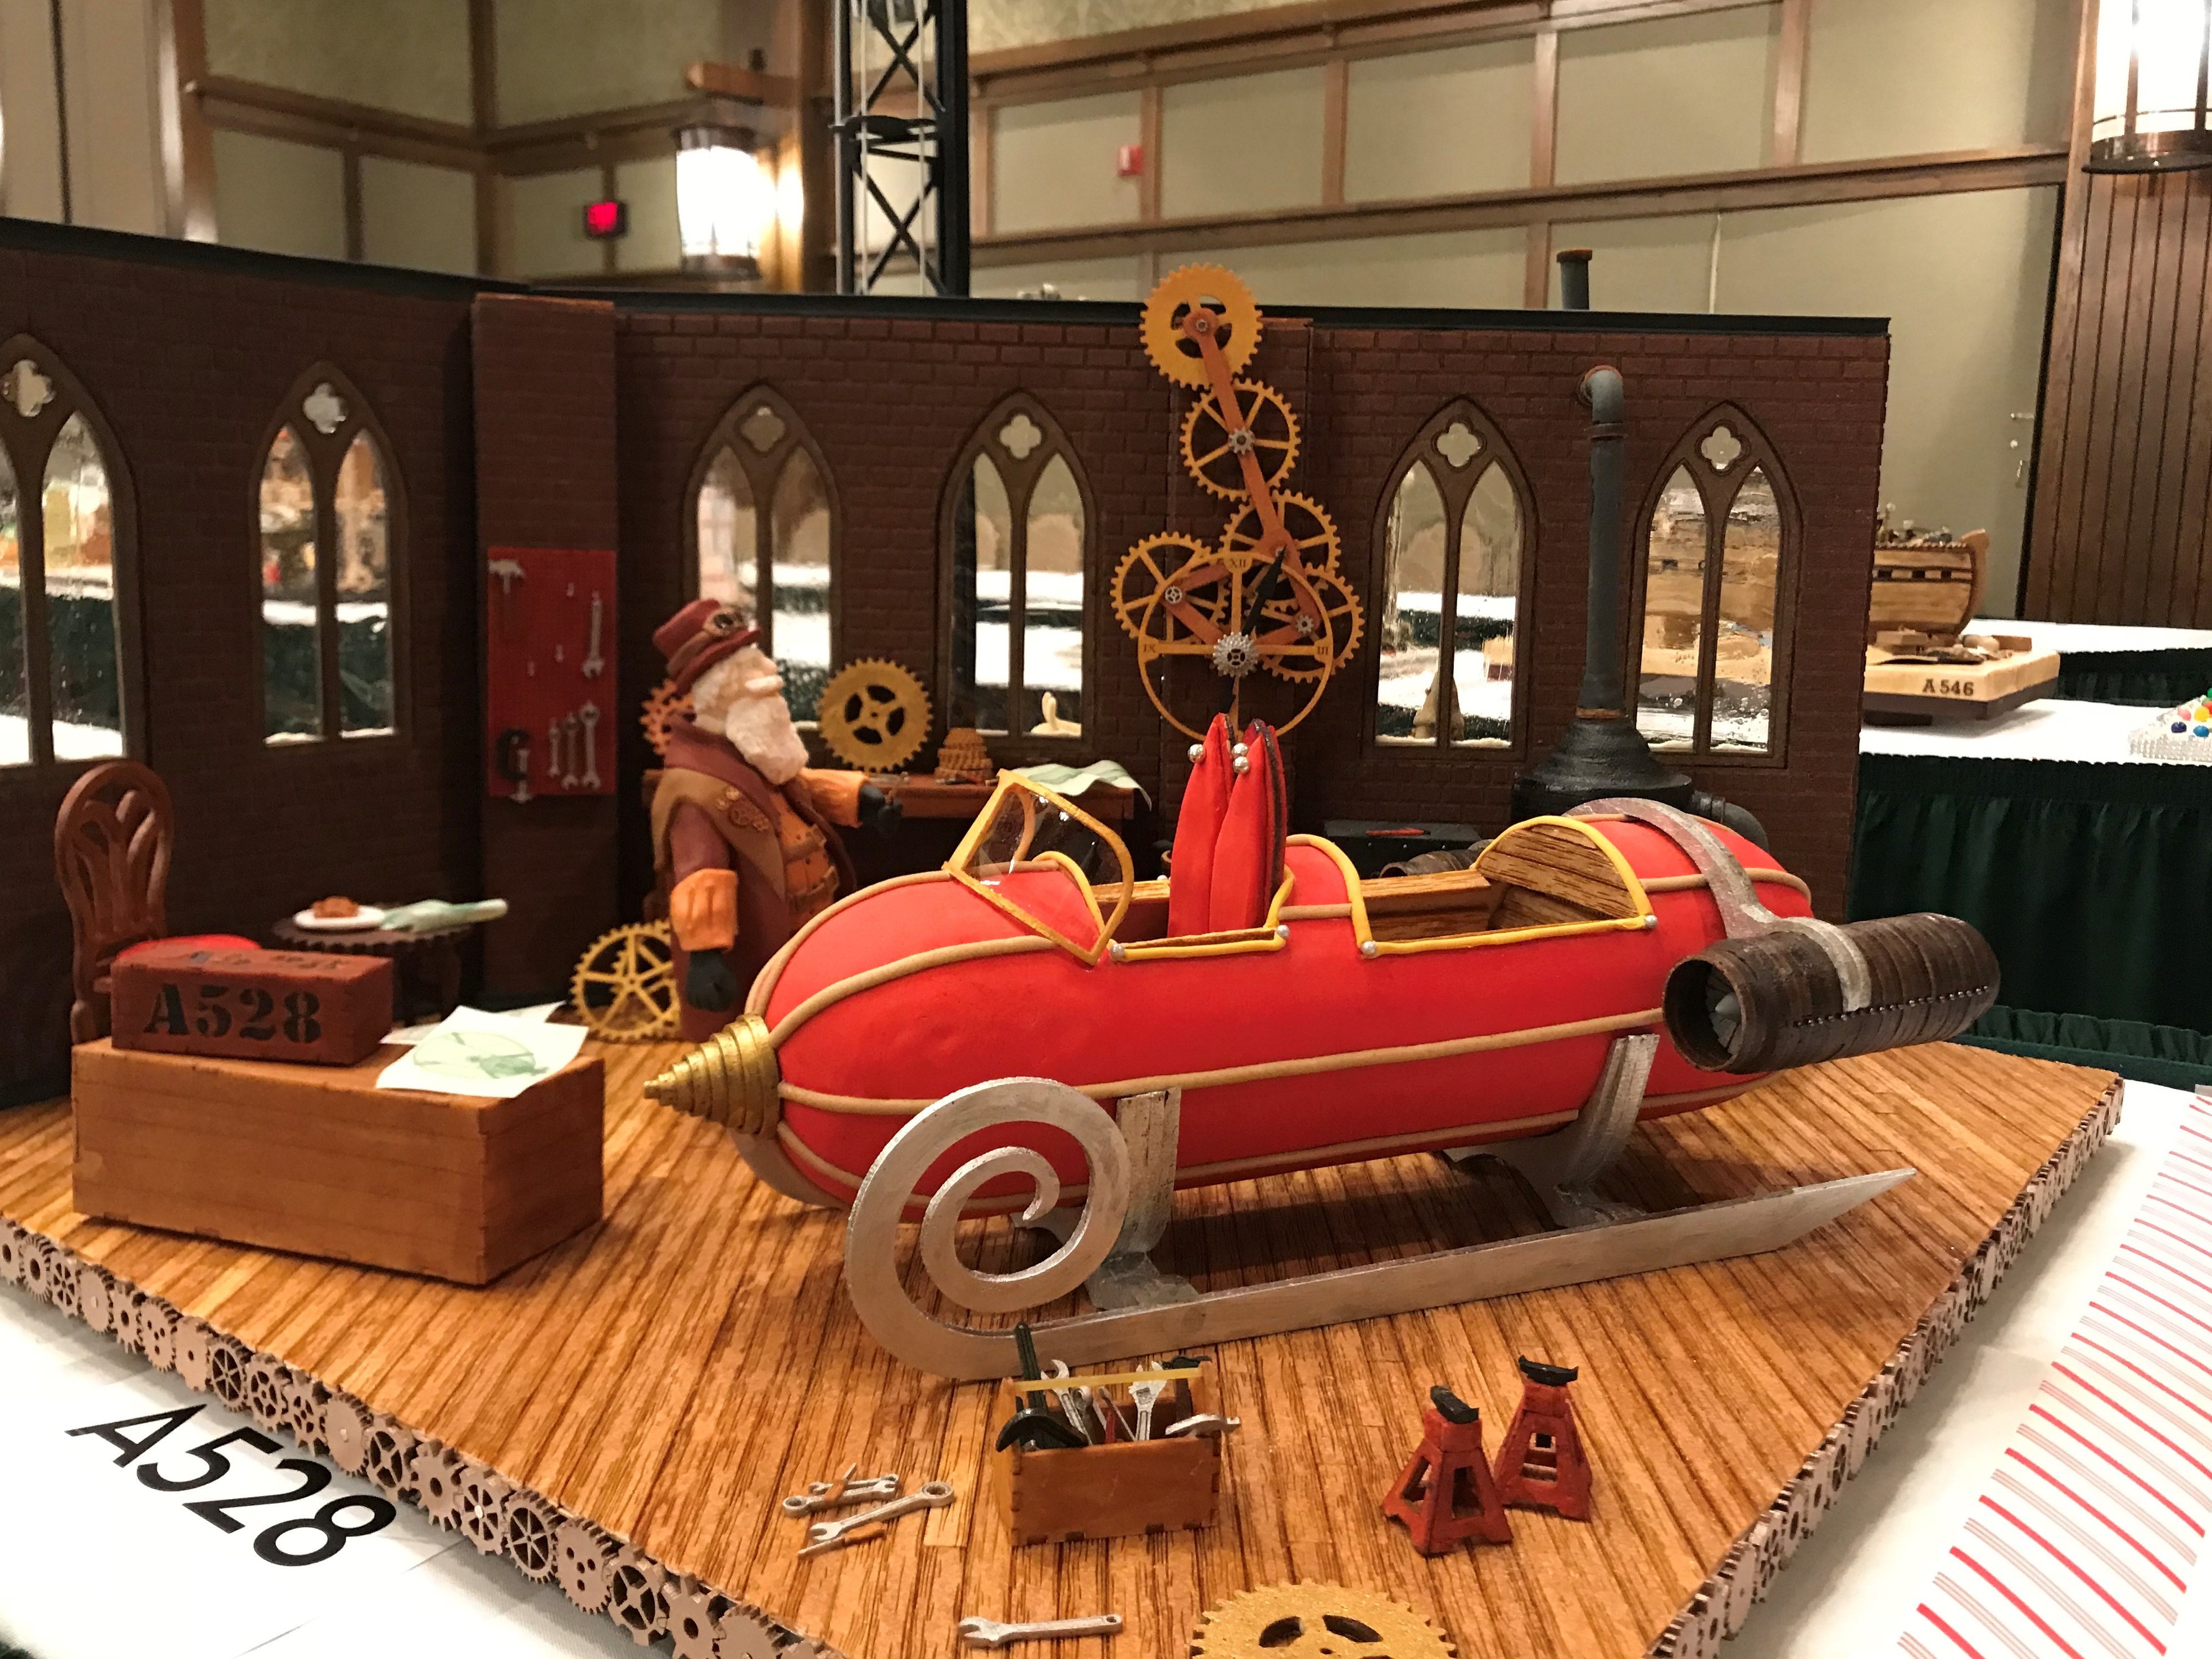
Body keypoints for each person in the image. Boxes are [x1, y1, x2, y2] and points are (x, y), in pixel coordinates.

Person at [650, 599, 899, 1039]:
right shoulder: (695, 787)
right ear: (721, 697)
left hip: (807, 934)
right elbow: (700, 871)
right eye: (757, 689)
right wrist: (707, 951)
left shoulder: (753, 752)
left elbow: (797, 781)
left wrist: (860, 800)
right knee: (762, 1030)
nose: (774, 693)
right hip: (762, 937)